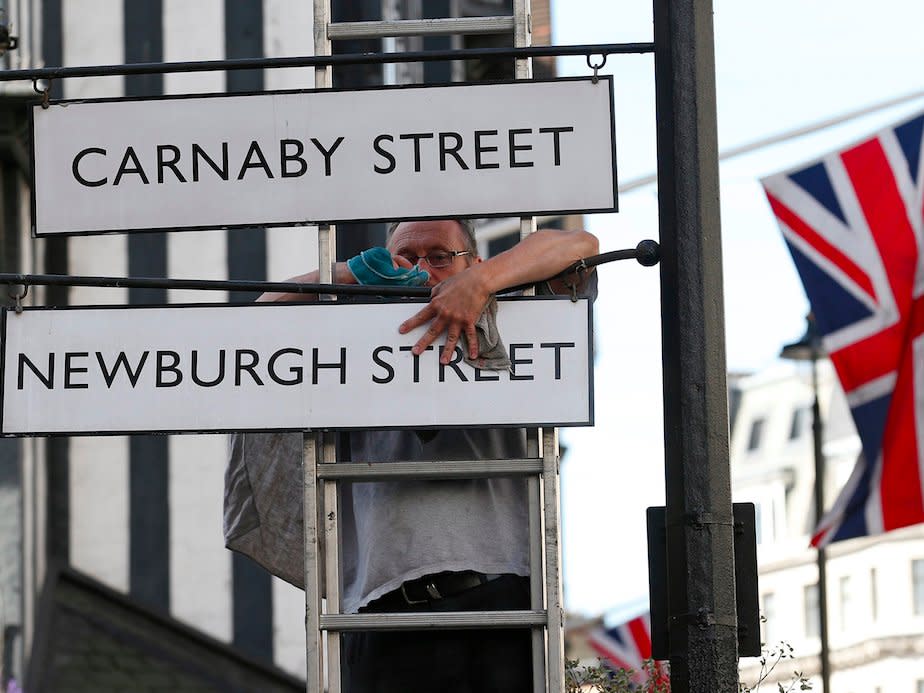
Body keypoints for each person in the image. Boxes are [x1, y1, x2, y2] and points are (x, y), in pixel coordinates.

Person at [225, 218, 598, 693]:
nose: (421, 272)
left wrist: (479, 285)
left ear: (474, 262)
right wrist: (350, 274)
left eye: (440, 257)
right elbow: (248, 323)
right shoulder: (349, 344)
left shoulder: (512, 319)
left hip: (499, 601)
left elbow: (578, 244)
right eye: (404, 260)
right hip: (378, 614)